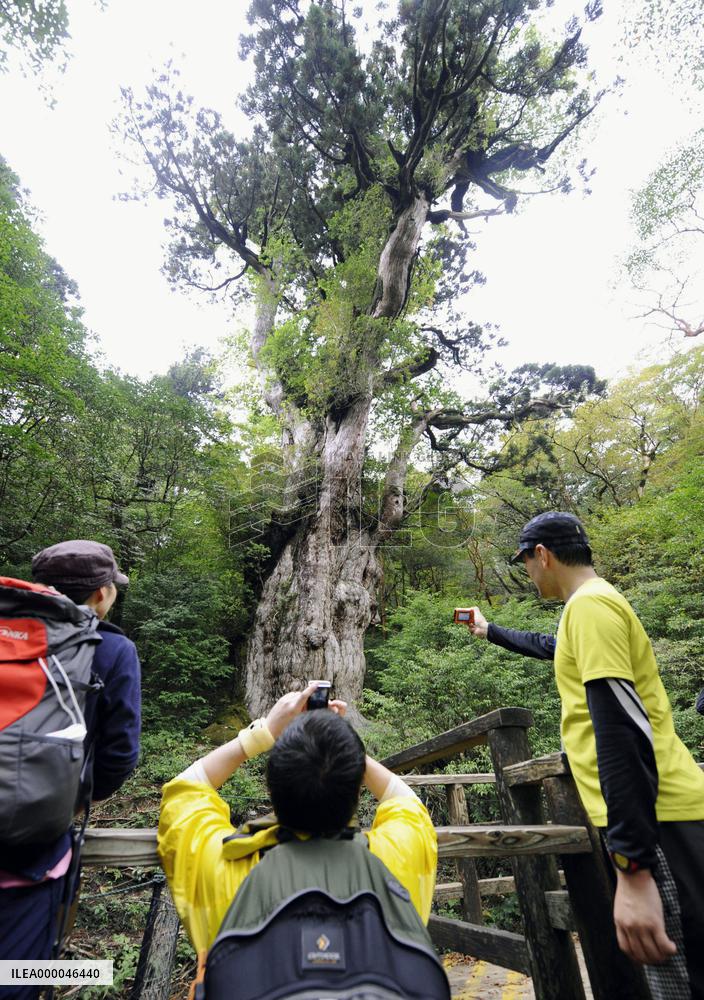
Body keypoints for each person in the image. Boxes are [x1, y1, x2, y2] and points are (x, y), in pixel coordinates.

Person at [464, 511, 704, 1000]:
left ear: (543, 556)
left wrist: (632, 868)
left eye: (526, 562)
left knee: (684, 985)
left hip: (657, 822)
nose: (528, 573)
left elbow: (618, 730)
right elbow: (551, 647)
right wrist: (490, 631)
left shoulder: (590, 609)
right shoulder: (591, 607)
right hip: (659, 816)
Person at [158, 681, 446, 998]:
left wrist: (264, 732)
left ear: (271, 787)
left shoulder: (224, 866)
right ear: (356, 791)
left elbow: (184, 790)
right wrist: (340, 745)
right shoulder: (394, 860)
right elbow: (406, 801)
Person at [0, 540, 142, 1000]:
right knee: (17, 979)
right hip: (35, 860)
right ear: (103, 594)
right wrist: (62, 793)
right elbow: (120, 754)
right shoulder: (112, 649)